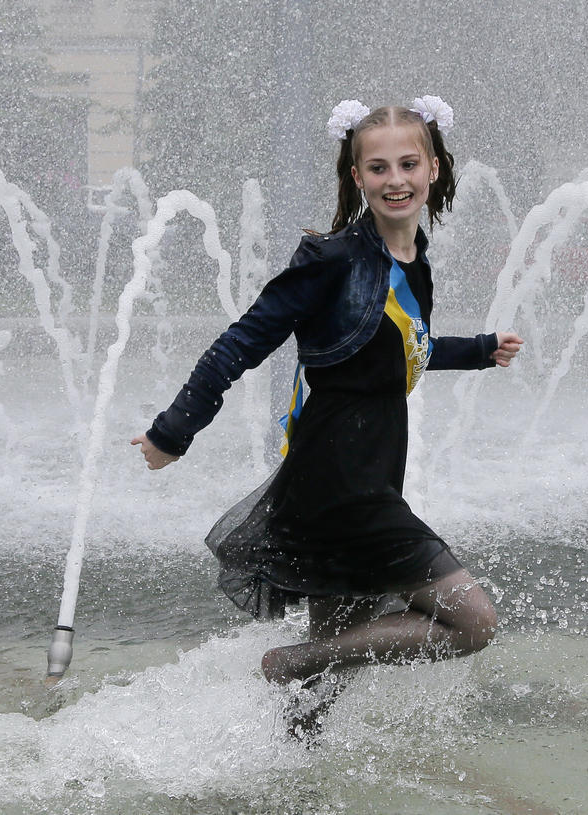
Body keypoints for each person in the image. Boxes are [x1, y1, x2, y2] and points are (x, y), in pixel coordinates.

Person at [131, 96, 523, 738]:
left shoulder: (411, 257)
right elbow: (240, 343)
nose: (394, 180)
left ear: (433, 169)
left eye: (408, 164)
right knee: (472, 623)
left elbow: (398, 350)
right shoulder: (332, 258)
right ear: (356, 175)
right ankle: (286, 663)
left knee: (333, 670)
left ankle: (291, 763)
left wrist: (480, 350)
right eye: (378, 168)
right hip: (340, 477)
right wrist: (174, 430)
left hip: (370, 465)